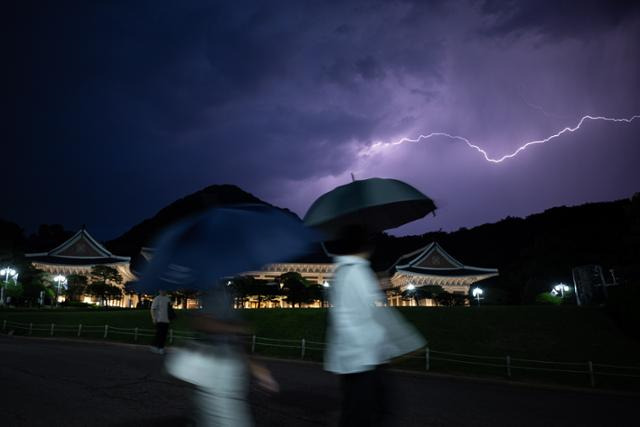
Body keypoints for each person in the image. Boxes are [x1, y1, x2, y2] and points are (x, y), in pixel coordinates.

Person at [325, 225, 425, 427]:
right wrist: (409, 341)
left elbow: (340, 319)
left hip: (352, 359)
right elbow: (379, 313)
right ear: (366, 246)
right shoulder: (358, 272)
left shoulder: (341, 272)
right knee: (374, 413)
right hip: (365, 358)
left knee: (358, 414)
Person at [165, 284, 278, 427]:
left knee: (211, 416)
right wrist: (238, 329)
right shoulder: (216, 289)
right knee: (227, 418)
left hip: (221, 364)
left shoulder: (221, 289)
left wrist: (255, 365)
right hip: (217, 365)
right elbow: (202, 322)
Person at [150, 290, 172, 354]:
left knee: (164, 335)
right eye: (162, 290)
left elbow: (170, 309)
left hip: (166, 320)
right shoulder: (157, 298)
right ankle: (156, 346)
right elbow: (152, 309)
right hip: (159, 319)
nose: (163, 291)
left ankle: (160, 347)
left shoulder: (168, 298)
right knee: (159, 334)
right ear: (159, 291)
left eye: (164, 290)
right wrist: (154, 318)